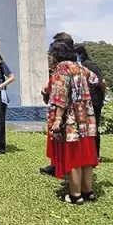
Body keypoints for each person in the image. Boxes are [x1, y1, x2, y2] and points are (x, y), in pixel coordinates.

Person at [44, 40, 99, 205]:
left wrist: (58, 118)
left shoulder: (62, 68)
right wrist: (83, 94)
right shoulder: (80, 67)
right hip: (86, 115)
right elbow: (95, 80)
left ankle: (75, 195)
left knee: (73, 153)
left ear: (56, 54)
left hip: (71, 117)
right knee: (86, 153)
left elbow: (61, 94)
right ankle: (88, 191)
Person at [41, 31, 74, 176]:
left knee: (64, 141)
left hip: (65, 111)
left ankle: (63, 169)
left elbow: (62, 93)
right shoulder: (65, 67)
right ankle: (55, 164)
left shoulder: (65, 68)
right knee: (55, 139)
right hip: (58, 108)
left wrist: (59, 117)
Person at [74, 44, 106, 159]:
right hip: (87, 100)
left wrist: (103, 96)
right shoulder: (81, 65)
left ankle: (96, 155)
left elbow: (102, 81)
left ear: (81, 54)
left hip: (95, 100)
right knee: (87, 127)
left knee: (94, 127)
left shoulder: (88, 65)